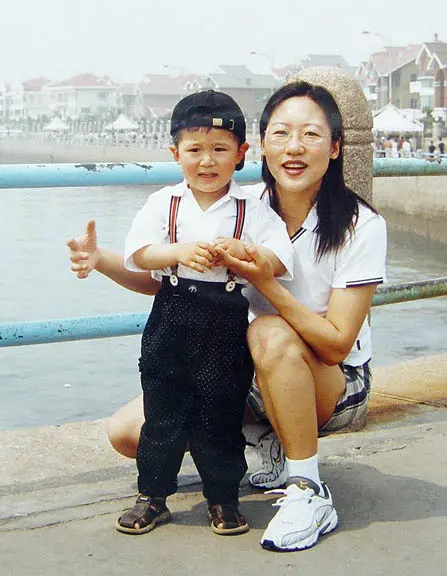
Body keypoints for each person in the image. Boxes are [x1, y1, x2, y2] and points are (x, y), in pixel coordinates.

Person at [68, 81, 387, 552]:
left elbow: (337, 344)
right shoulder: (237, 202)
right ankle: (265, 441)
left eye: (311, 135)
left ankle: (307, 488)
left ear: (336, 147)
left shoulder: (360, 225)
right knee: (129, 433)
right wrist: (101, 260)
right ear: (260, 146)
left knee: (269, 331)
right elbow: (163, 278)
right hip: (242, 367)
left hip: (328, 377)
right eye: (281, 133)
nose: (294, 147)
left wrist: (263, 280)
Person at [69, 90, 293, 538]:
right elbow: (140, 253)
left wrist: (246, 252)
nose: (207, 161)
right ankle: (152, 495)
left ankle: (223, 498)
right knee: (162, 411)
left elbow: (279, 260)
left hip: (225, 322)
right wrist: (177, 252)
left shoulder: (252, 209)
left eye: (220, 150)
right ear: (175, 154)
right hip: (170, 316)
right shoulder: (164, 202)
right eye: (194, 150)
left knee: (220, 412)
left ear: (241, 154)